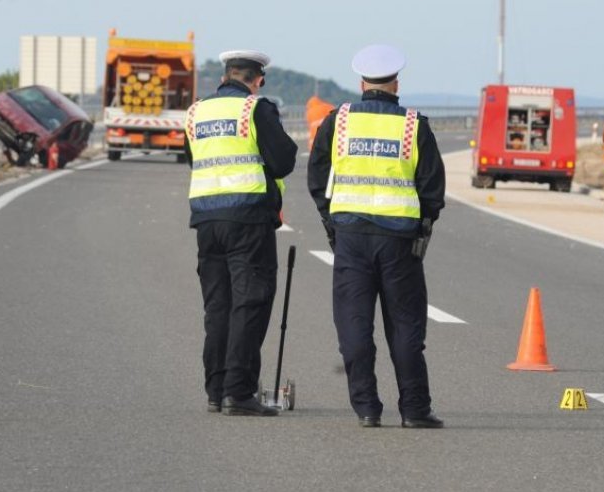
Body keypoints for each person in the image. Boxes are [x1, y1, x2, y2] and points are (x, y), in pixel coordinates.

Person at [307, 44, 446, 429]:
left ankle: (367, 408)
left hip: (351, 237)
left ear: (361, 82)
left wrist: (331, 223)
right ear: (396, 82)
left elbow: (317, 177)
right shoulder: (412, 125)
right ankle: (415, 410)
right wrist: (422, 227)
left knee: (354, 325)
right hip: (400, 241)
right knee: (405, 327)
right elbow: (433, 188)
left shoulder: (339, 121)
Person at [184, 50, 298, 417]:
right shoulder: (255, 109)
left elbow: (195, 158)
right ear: (257, 79)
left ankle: (216, 391)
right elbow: (282, 160)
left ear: (225, 75)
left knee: (218, 306)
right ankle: (239, 392)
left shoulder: (196, 111)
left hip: (205, 219)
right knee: (250, 303)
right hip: (248, 218)